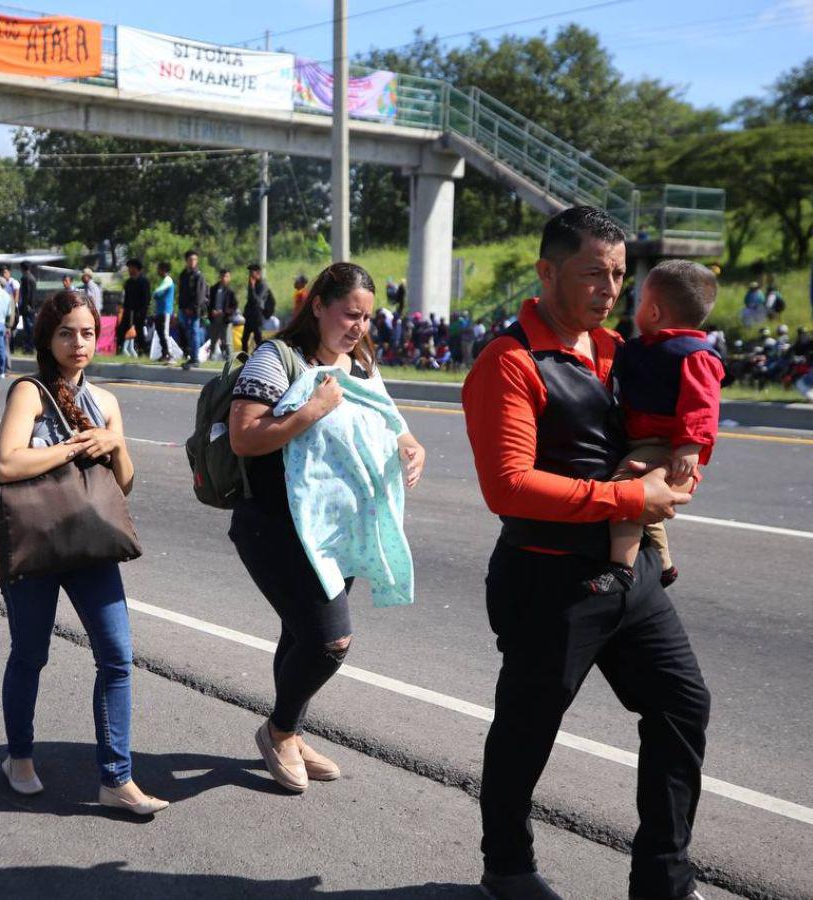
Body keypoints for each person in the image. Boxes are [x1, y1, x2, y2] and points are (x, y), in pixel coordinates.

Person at [462, 207, 709, 900]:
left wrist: (681, 468)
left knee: (682, 706)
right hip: (549, 578)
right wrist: (632, 502)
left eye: (619, 275)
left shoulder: (618, 350)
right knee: (527, 729)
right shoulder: (508, 362)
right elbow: (509, 487)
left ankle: (663, 877)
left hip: (630, 577)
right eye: (593, 273)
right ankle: (506, 867)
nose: (609, 288)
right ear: (546, 272)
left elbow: (668, 427)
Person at [227, 262, 426, 794]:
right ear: (317, 306)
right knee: (329, 640)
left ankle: (288, 731)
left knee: (302, 633)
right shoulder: (277, 358)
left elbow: (390, 419)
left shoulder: (359, 362)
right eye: (349, 313)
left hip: (338, 529)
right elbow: (244, 437)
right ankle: (280, 730)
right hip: (276, 526)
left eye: (366, 317)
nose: (359, 326)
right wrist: (311, 410)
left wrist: (411, 445)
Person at [0, 289, 167, 816]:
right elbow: (5, 464)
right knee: (30, 655)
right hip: (38, 544)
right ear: (48, 337)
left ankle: (116, 778)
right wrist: (71, 448)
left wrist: (116, 446)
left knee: (117, 657)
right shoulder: (31, 392)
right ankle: (18, 756)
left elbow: (124, 486)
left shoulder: (107, 403)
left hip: (90, 546)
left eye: (87, 332)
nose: (78, 342)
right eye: (67, 332)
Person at [592, 261, 725, 594]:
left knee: (627, 493)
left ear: (653, 312)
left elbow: (702, 404)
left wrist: (690, 447)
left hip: (665, 445)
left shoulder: (694, 355)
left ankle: (620, 568)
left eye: (639, 303)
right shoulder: (640, 348)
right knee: (645, 507)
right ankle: (664, 567)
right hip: (641, 442)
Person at [177, 249, 207, 370]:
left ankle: (195, 359)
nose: (192, 262)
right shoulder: (184, 274)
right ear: (186, 261)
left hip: (194, 311)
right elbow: (182, 292)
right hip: (184, 310)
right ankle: (191, 356)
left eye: (194, 259)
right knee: (188, 333)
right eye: (190, 259)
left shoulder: (199, 275)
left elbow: (200, 295)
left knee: (194, 332)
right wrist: (182, 307)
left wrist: (192, 308)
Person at [116, 258, 150, 357]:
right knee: (121, 330)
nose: (130, 270)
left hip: (139, 311)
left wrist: (143, 310)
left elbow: (146, 298)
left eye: (131, 268)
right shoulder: (128, 282)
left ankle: (142, 351)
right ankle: (119, 349)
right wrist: (124, 309)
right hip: (128, 310)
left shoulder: (144, 281)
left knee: (139, 332)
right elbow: (126, 298)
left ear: (136, 269)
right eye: (129, 268)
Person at [208, 269, 236, 362]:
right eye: (222, 276)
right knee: (213, 339)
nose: (224, 278)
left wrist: (223, 312)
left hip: (225, 318)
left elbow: (234, 306)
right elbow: (209, 303)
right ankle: (211, 357)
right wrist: (211, 311)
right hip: (214, 318)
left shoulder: (231, 291)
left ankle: (230, 360)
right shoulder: (213, 289)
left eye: (226, 276)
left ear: (229, 278)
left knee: (227, 341)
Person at [242, 264, 270, 354]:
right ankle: (244, 360)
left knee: (258, 339)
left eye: (252, 273)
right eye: (249, 273)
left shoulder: (263, 285)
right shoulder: (251, 284)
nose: (250, 275)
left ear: (258, 273)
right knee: (244, 339)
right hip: (249, 316)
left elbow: (256, 300)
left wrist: (252, 287)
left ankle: (260, 357)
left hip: (257, 316)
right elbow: (249, 299)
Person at [152, 261, 175, 365]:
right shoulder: (164, 280)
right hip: (160, 311)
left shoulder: (168, 280)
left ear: (163, 270)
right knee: (160, 333)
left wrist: (155, 294)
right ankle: (164, 353)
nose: (158, 271)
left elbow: (157, 293)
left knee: (164, 333)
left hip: (165, 311)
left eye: (159, 269)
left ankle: (169, 355)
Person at [16, 261, 38, 354]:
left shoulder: (26, 278)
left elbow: (26, 295)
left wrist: (24, 306)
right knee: (30, 328)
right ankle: (30, 346)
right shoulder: (32, 278)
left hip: (27, 307)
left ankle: (29, 347)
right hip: (32, 307)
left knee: (28, 328)